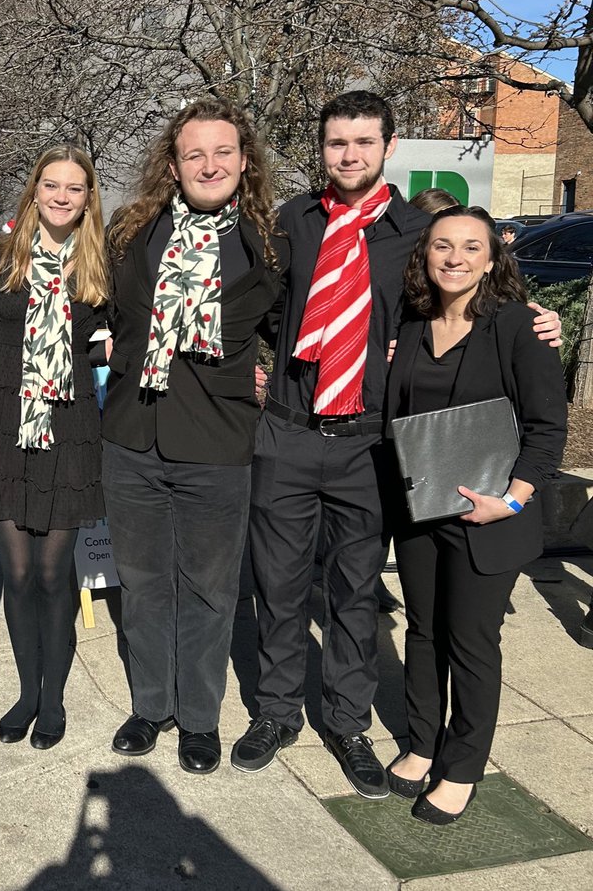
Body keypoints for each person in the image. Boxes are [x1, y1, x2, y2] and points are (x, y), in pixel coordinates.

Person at [234, 92, 560, 798]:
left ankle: (349, 720)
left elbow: (470, 288)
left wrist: (540, 318)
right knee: (280, 586)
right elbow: (256, 304)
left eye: (362, 142)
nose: (348, 154)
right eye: (336, 143)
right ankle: (276, 710)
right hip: (289, 431)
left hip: (372, 444)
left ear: (388, 148)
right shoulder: (293, 221)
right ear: (322, 149)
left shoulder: (419, 231)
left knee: (354, 591)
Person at [101, 98, 286, 775]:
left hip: (216, 441)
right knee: (144, 583)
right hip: (131, 435)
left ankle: (200, 718)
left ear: (244, 162)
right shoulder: (133, 232)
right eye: (194, 153)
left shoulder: (266, 245)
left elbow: (311, 326)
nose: (210, 164)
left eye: (223, 152)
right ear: (173, 165)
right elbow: (78, 291)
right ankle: (152, 704)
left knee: (210, 589)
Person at [384, 206, 565, 824]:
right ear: (424, 256)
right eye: (441, 246)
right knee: (424, 629)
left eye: (469, 247)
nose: (454, 258)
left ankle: (462, 767)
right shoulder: (411, 325)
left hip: (489, 515)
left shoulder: (519, 327)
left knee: (471, 641)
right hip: (421, 510)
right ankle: (421, 741)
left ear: (492, 259)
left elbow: (546, 430)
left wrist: (512, 500)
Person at [0, 145, 110, 749]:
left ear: (87, 198)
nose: (60, 196)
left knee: (55, 574)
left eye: (74, 188)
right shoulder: (2, 263)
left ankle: (53, 700)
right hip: (5, 423)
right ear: (34, 191)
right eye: (51, 184)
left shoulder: (102, 270)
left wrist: (103, 348)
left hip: (70, 429)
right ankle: (27, 692)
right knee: (18, 573)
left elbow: (124, 341)